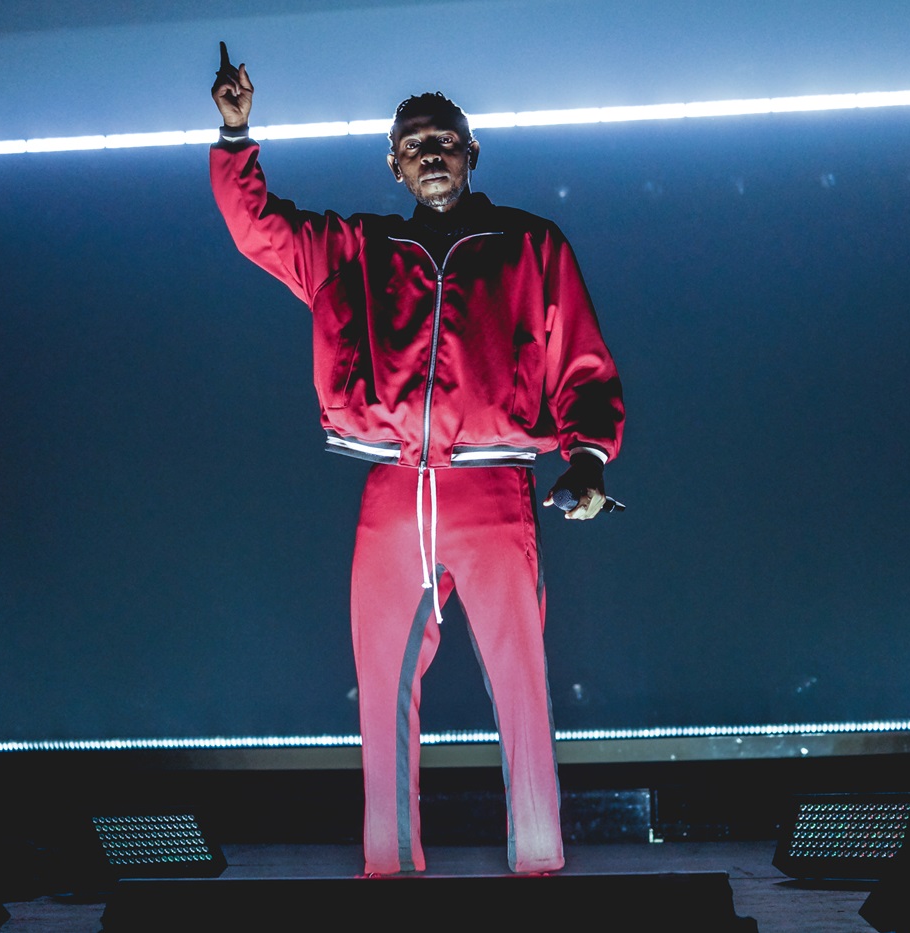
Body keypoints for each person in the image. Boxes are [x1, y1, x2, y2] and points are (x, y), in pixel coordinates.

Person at [209, 42, 624, 876]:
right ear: (393, 165)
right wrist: (236, 135)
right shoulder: (357, 250)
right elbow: (260, 230)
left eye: (444, 140)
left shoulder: (529, 243)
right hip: (392, 489)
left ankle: (540, 869)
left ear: (471, 154)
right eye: (414, 144)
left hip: (494, 486)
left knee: (521, 685)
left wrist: (586, 458)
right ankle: (389, 873)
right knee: (383, 695)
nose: (430, 153)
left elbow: (580, 359)